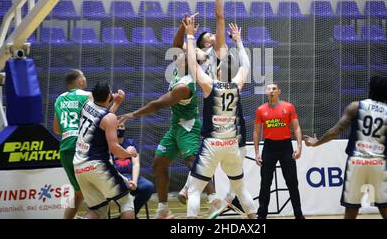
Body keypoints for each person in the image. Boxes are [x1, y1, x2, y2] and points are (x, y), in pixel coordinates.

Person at [118, 39, 215, 219]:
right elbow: (177, 42)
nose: (179, 56)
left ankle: (213, 199)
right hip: (175, 126)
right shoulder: (180, 69)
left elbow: (157, 104)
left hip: (188, 126)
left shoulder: (185, 86)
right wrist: (183, 27)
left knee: (193, 163)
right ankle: (163, 209)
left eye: (183, 56)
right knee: (159, 164)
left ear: (187, 63)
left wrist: (133, 114)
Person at [304, 75, 387, 219]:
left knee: (351, 211)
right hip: (378, 163)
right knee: (386, 209)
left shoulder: (356, 106)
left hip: (356, 162)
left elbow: (335, 131)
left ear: (370, 89)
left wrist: (316, 142)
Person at [183, 18, 257, 219]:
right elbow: (247, 64)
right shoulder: (237, 85)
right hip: (232, 144)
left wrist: (190, 36)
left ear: (217, 71)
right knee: (241, 190)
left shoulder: (209, 85)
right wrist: (239, 42)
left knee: (195, 190)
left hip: (212, 145)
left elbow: (191, 63)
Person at [53, 69, 123, 219]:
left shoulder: (59, 99)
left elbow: (57, 129)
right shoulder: (87, 95)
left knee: (78, 195)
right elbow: (102, 119)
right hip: (82, 147)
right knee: (104, 197)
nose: (85, 78)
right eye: (83, 76)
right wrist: (115, 101)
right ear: (80, 82)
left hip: (65, 147)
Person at [73, 81, 136, 219]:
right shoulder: (110, 118)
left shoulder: (86, 104)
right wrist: (129, 153)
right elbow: (114, 149)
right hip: (96, 165)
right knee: (127, 202)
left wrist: (115, 102)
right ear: (108, 96)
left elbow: (101, 122)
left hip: (78, 167)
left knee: (98, 209)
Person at [253, 83, 305, 219]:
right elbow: (257, 132)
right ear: (266, 92)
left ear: (279, 92)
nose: (272, 91)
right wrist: (257, 152)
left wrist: (299, 147)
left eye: (274, 89)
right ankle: (261, 216)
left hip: (285, 147)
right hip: (269, 148)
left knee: (292, 182)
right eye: (269, 89)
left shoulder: (288, 107)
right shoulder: (260, 109)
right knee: (265, 183)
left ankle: (299, 215)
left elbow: (297, 128)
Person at [111, 123, 155, 218]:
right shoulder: (109, 145)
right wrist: (125, 181)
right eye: (117, 126)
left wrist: (134, 181)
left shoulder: (131, 143)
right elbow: (110, 166)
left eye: (122, 127)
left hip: (132, 177)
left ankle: (130, 215)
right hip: (117, 178)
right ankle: (127, 215)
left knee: (148, 187)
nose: (120, 129)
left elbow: (136, 163)